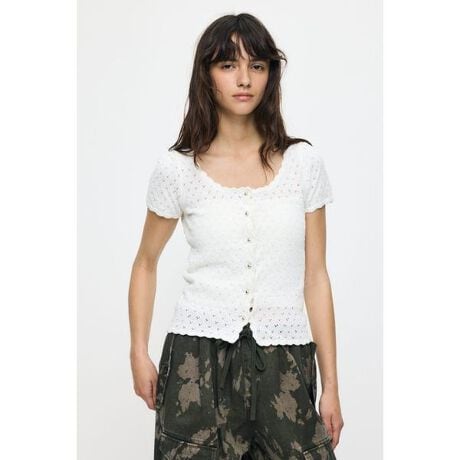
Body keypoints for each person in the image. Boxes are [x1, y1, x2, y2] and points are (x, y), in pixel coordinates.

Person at [129, 12, 344, 459]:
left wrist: (331, 387)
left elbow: (316, 277)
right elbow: (145, 263)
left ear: (270, 75)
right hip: (196, 361)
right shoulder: (178, 169)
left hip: (284, 359)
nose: (244, 78)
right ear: (206, 75)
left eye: (257, 65)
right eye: (228, 65)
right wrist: (138, 350)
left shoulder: (303, 165)